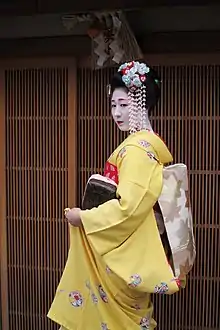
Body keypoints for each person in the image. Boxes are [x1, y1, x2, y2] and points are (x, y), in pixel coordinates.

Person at [48, 60, 195, 329]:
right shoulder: (148, 146)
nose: (116, 113)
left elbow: (128, 208)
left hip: (121, 259)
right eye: (113, 105)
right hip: (133, 251)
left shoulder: (137, 150)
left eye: (124, 105)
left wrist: (83, 217)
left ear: (141, 104)